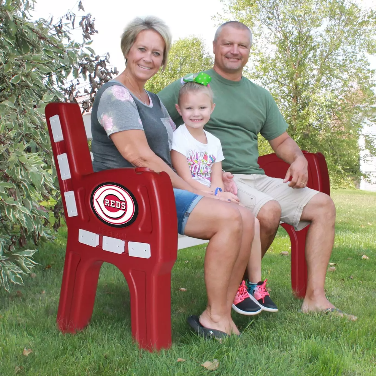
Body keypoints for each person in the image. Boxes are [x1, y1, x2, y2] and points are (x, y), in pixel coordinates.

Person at [158, 21, 357, 320]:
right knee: (268, 212)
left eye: (242, 45)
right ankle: (241, 286)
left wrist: (298, 158)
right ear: (214, 47)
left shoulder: (259, 95)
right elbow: (151, 116)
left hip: (257, 176)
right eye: (227, 43)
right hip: (219, 179)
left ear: (249, 51)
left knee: (323, 206)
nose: (234, 50)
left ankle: (315, 298)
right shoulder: (193, 87)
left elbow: (281, 140)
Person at [90, 16, 258, 339]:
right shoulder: (116, 95)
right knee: (228, 219)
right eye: (142, 49)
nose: (148, 58)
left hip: (159, 190)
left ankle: (218, 312)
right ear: (127, 49)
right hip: (130, 197)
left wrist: (215, 180)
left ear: (163, 60)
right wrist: (199, 191)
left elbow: (179, 149)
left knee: (246, 218)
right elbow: (140, 156)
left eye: (157, 53)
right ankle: (217, 317)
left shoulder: (152, 101)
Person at [171, 75, 278, 315]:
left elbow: (216, 177)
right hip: (192, 196)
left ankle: (254, 285)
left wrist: (221, 193)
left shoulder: (214, 142)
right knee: (238, 219)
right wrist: (215, 196)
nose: (196, 113)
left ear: (212, 109)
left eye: (202, 107)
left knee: (253, 219)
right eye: (189, 108)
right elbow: (185, 178)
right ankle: (235, 287)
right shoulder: (180, 136)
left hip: (211, 195)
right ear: (179, 109)